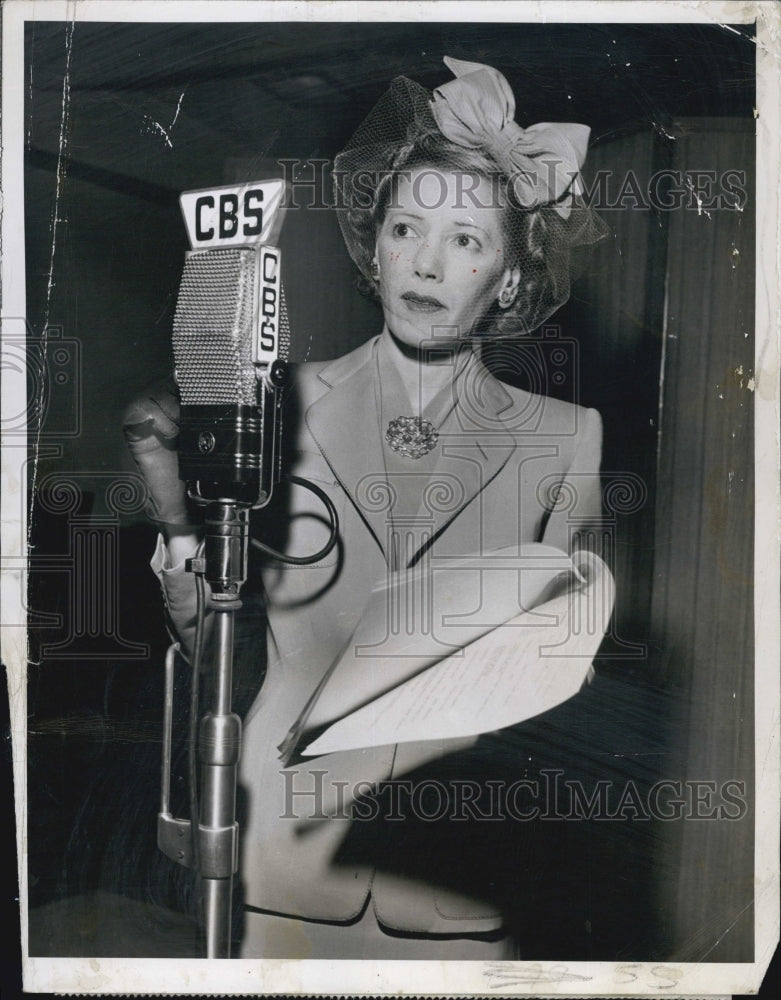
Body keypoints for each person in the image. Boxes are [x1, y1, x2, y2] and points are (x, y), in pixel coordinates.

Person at [124, 55, 607, 959]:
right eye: (405, 227)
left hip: (458, 863)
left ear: (507, 277)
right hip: (279, 854)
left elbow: (563, 681)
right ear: (373, 244)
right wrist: (170, 508)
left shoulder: (565, 437)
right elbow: (212, 647)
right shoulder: (275, 403)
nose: (426, 262)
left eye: (466, 240)